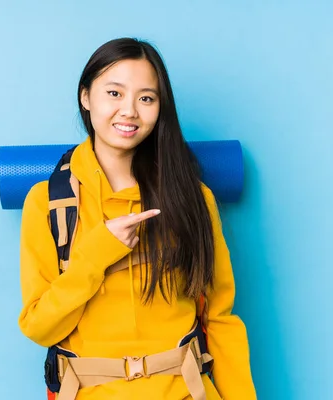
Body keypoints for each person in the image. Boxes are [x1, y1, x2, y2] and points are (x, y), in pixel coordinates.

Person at [18, 37, 256, 399]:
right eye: (114, 93)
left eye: (146, 98)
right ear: (86, 97)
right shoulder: (48, 202)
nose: (129, 110)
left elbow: (220, 319)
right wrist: (96, 255)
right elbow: (40, 327)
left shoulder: (193, 198)